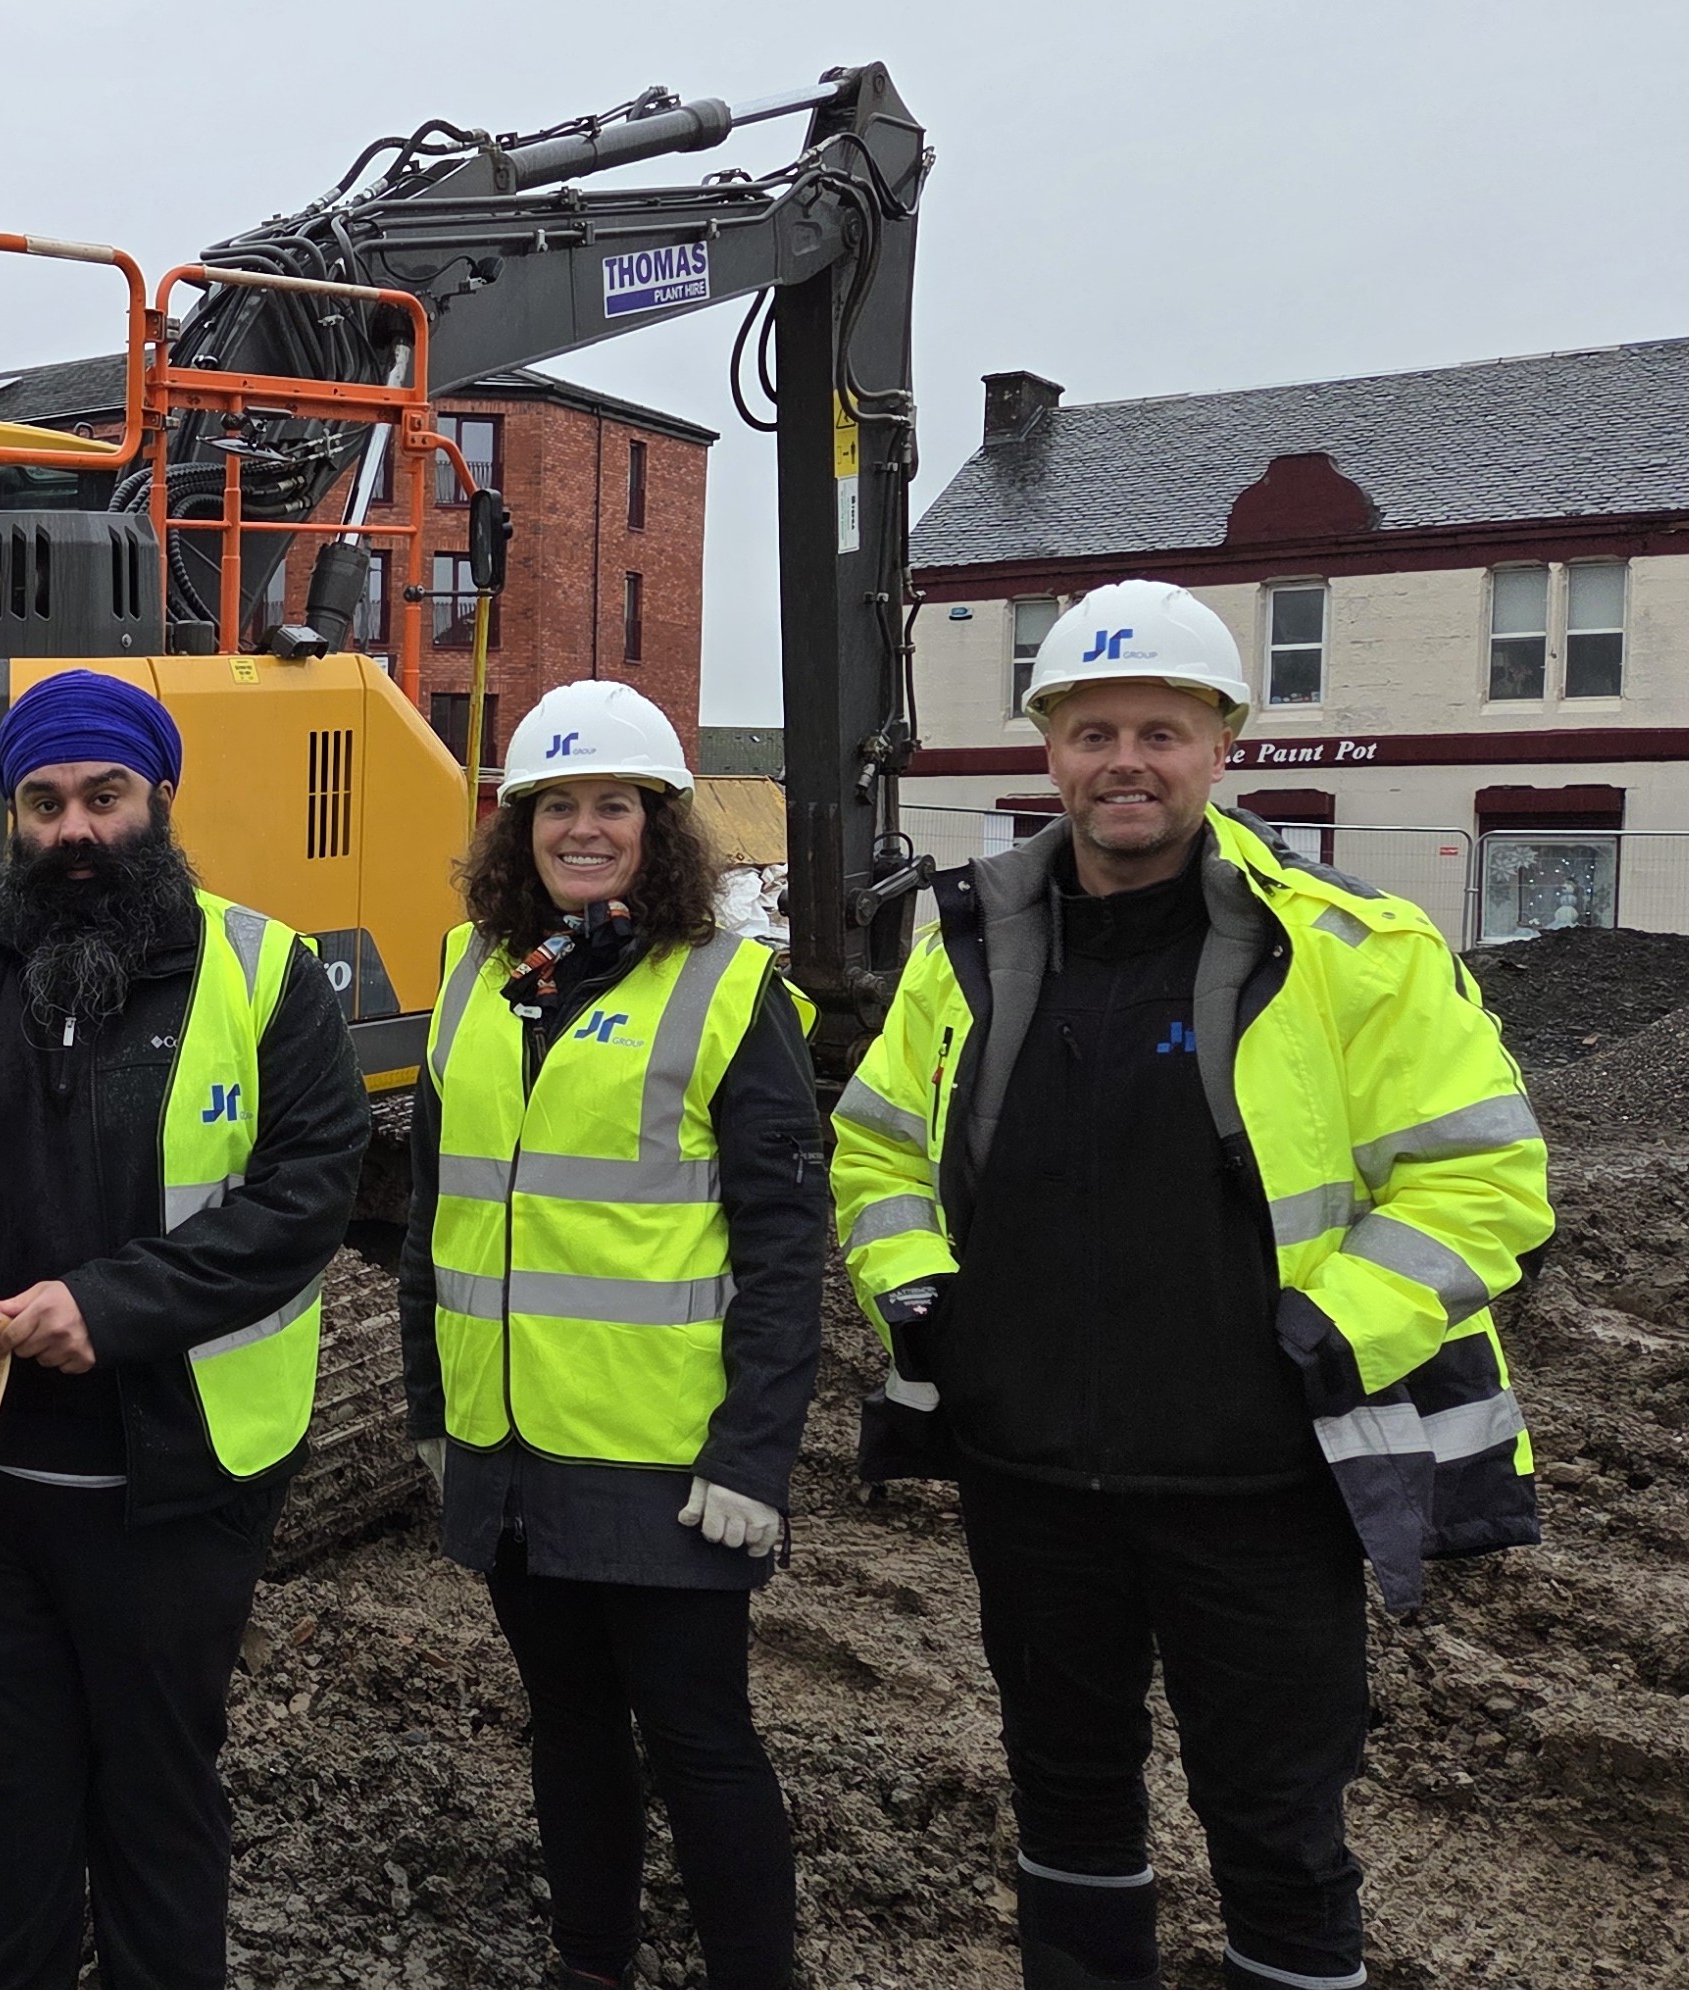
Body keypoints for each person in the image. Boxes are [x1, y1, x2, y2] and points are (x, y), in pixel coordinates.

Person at [833, 579, 1552, 1990]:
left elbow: (1484, 1181)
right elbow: (871, 1152)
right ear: (1047, 750)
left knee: (1277, 1833)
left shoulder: (1349, 948)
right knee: (1062, 1800)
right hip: (1027, 1478)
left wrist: (1323, 1333)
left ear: (1221, 744)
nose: (1122, 760)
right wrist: (925, 1300)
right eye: (1091, 728)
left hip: (1257, 1496)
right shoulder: (969, 946)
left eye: (1158, 729)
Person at [0, 668, 369, 1990]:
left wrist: (111, 1307)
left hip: (169, 1485)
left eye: (103, 796)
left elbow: (307, 1188)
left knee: (155, 1795)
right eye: (44, 800)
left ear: (157, 800)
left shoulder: (263, 971)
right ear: (12, 814)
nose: (74, 829)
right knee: (3, 1793)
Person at [398, 680, 826, 1990]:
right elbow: (433, 1210)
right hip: (511, 1444)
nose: (583, 829)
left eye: (614, 806)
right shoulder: (476, 977)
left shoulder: (722, 987)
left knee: (696, 1736)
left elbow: (780, 1245)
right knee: (568, 1727)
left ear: (659, 823)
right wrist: (428, 1408)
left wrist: (752, 1455)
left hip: (661, 1460)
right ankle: (591, 1962)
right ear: (517, 824)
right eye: (556, 805)